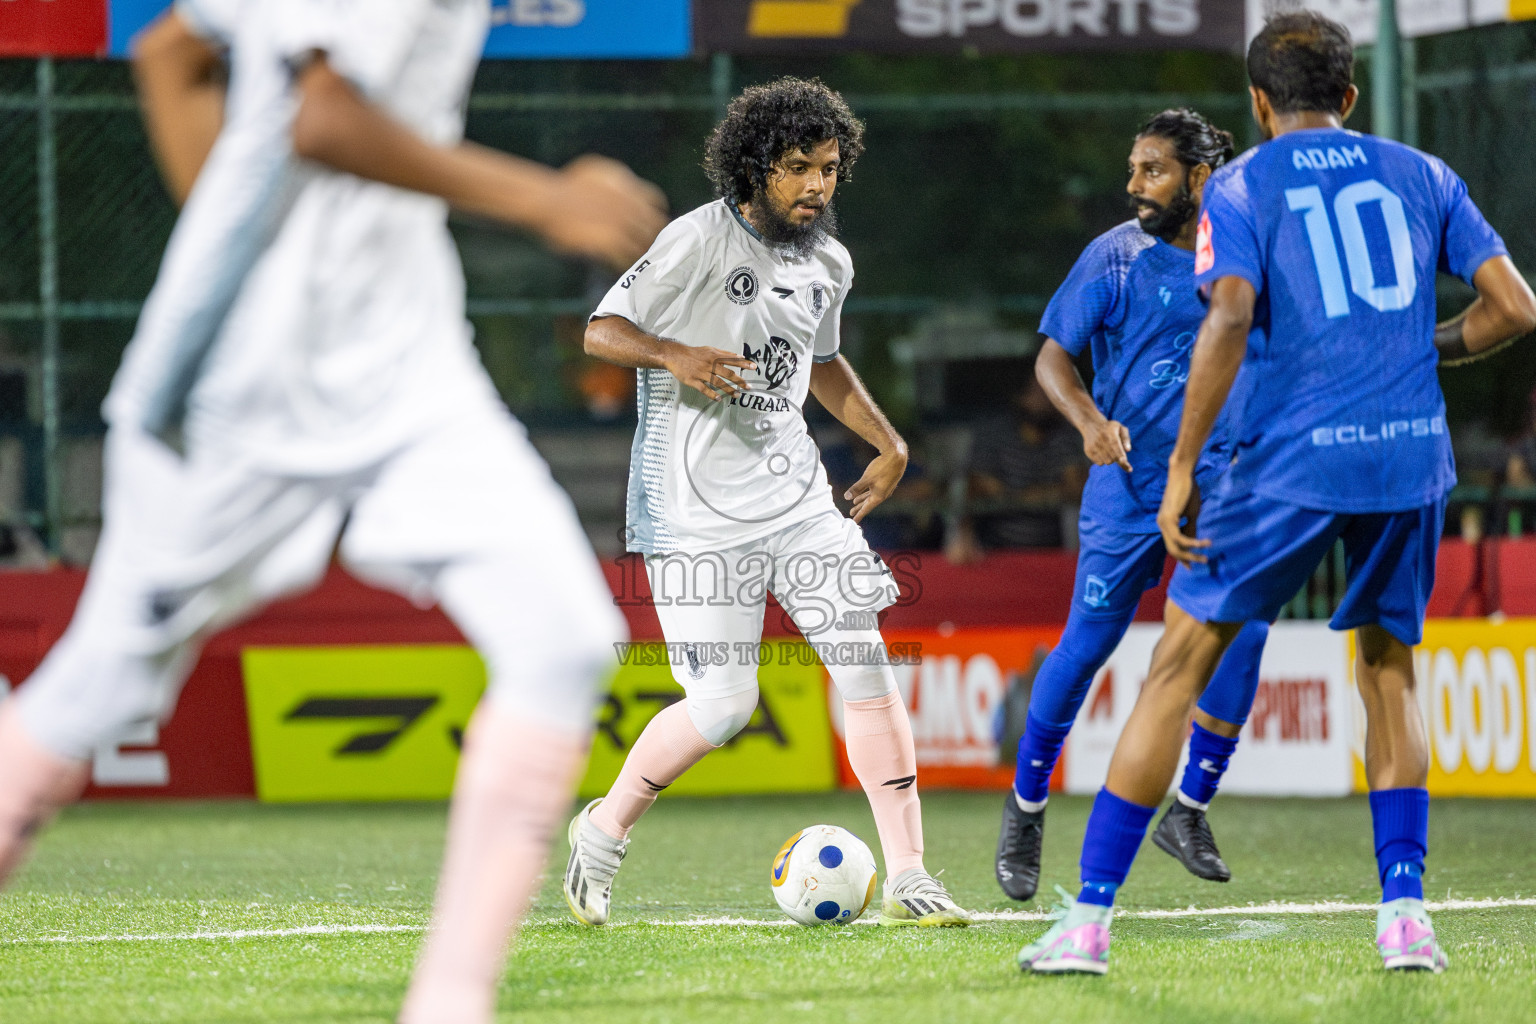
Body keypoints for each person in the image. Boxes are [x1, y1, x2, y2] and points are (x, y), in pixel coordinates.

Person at [0, 4, 669, 1023]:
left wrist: (233, 221)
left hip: (404, 372)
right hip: (238, 390)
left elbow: (168, 50)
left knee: (563, 639)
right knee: (93, 690)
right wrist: (547, 201)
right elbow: (320, 118)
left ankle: (449, 1006)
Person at [1019, 11, 1536, 976]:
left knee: (1177, 666)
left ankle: (1087, 921)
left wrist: (1179, 471)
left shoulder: (1247, 183)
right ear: (1348, 94)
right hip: (1409, 460)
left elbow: (1231, 315)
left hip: (1292, 464)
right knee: (1388, 674)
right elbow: (1514, 307)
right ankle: (1405, 916)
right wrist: (1430, 347)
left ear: (1259, 104)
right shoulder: (1424, 173)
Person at [567, 77, 970, 928]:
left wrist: (888, 441)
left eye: (828, 169)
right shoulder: (696, 241)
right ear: (756, 168)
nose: (817, 186)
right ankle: (600, 836)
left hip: (797, 500)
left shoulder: (830, 259)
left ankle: (909, 875)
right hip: (691, 512)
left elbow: (820, 362)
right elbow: (603, 330)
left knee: (863, 662)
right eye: (798, 168)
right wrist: (674, 354)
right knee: (723, 706)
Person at [995, 110, 1271, 904]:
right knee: (1086, 646)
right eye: (1132, 169)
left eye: (1151, 170)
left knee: (1243, 633)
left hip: (1220, 488)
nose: (1134, 186)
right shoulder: (1114, 256)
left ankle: (1188, 808)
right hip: (1126, 487)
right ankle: (1026, 808)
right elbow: (1053, 357)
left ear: (1198, 176)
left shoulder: (1247, 251)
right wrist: (1086, 422)